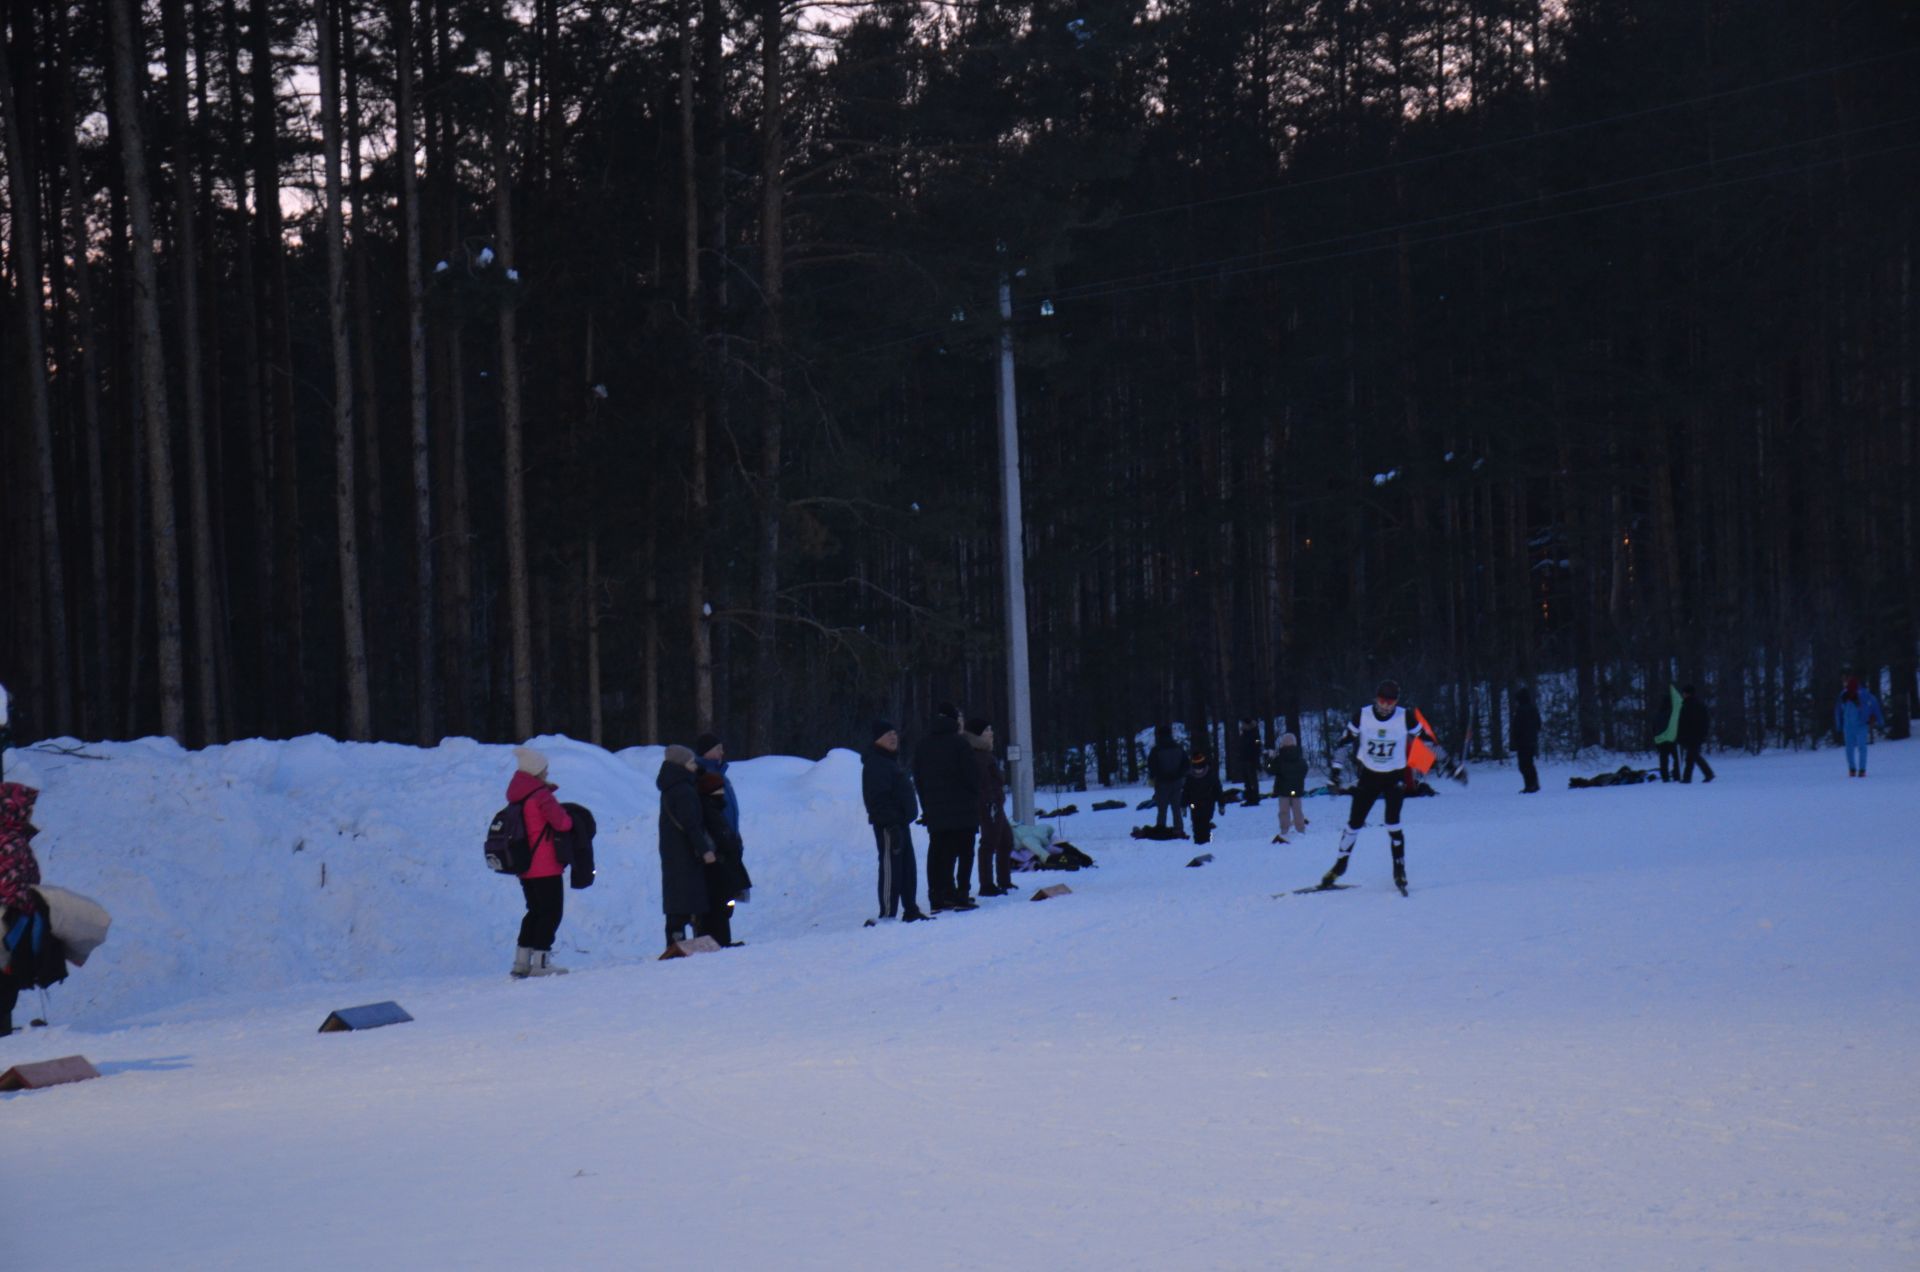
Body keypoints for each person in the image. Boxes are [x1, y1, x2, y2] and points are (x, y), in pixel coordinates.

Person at [1312, 680, 1434, 896]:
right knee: (1354, 823)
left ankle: (1399, 869)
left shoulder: (1404, 717)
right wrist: (1335, 773)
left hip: (1394, 776)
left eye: (1390, 702)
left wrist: (1450, 764)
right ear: (1376, 699)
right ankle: (1340, 865)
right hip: (1369, 776)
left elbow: (1428, 740)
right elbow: (1344, 743)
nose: (1386, 706)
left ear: (1396, 701)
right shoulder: (1363, 715)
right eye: (1382, 701)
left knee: (1392, 822)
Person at [506, 747, 574, 978]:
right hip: (544, 864)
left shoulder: (518, 794)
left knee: (534, 911)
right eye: (545, 769)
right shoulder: (540, 796)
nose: (547, 772)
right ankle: (541, 962)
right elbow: (563, 823)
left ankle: (521, 961)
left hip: (525, 864)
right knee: (551, 912)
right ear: (536, 770)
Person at [913, 702, 980, 912]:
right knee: (965, 852)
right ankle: (961, 894)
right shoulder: (960, 745)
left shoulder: (923, 745)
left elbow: (918, 779)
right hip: (963, 811)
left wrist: (927, 806)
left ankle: (937, 896)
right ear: (954, 720)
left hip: (935, 811)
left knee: (938, 853)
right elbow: (972, 777)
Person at [862, 720, 930, 923]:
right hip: (889, 825)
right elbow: (877, 799)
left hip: (901, 823)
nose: (893, 737)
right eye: (888, 734)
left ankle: (910, 908)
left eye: (894, 733)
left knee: (907, 867)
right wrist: (890, 824)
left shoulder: (890, 761)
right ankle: (888, 912)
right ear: (877, 739)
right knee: (891, 866)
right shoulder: (876, 763)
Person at [657, 743, 716, 952]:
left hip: (673, 854)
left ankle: (675, 942)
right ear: (681, 765)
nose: (694, 766)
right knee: (689, 902)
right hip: (686, 855)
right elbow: (692, 825)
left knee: (676, 903)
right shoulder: (683, 790)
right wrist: (705, 850)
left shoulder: (670, 787)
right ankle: (685, 946)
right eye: (691, 762)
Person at [693, 732, 748, 944]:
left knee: (726, 894)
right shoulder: (704, 775)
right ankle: (715, 939)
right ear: (707, 751)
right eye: (718, 748)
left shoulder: (721, 775)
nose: (722, 752)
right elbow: (709, 813)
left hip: (727, 840)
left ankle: (722, 938)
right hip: (716, 844)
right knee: (717, 895)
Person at [0, 780, 45, 1035]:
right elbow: (14, 888)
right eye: (26, 808)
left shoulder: (13, 839)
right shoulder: (10, 842)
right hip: (8, 929)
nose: (30, 813)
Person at [968, 717, 1017, 897]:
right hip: (990, 805)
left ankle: (1004, 880)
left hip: (995, 803)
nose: (991, 733)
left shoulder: (985, 754)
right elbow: (983, 783)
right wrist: (990, 802)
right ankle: (987, 884)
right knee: (989, 842)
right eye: (987, 729)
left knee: (1005, 840)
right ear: (979, 734)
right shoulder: (979, 755)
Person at [1835, 675, 1886, 777]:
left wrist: (1879, 720)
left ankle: (1862, 769)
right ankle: (1852, 769)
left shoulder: (1864, 694)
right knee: (1850, 749)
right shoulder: (1843, 695)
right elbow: (1838, 711)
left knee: (1861, 748)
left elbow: (1874, 705)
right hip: (1848, 726)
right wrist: (1839, 724)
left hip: (1861, 725)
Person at [1146, 725, 1189, 835]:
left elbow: (1152, 766)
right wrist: (1179, 774)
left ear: (1159, 735)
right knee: (1176, 807)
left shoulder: (1156, 750)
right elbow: (1186, 764)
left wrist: (1157, 776)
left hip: (1162, 783)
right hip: (1177, 782)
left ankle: (1161, 828)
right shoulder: (1178, 748)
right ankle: (1178, 828)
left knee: (1162, 808)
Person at [1268, 731, 1309, 842]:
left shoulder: (1279, 758)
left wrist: (1269, 759)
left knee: (1284, 812)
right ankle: (1301, 830)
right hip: (1297, 789)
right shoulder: (1300, 758)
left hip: (1283, 790)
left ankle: (1284, 831)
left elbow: (1270, 769)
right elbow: (1305, 769)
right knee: (1298, 811)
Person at [1183, 747, 1226, 846]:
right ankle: (1198, 842)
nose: (1198, 770)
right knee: (1196, 823)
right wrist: (1183, 805)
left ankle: (1205, 842)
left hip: (1208, 803)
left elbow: (1218, 790)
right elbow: (1186, 791)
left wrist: (1221, 804)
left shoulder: (1210, 775)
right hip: (1194, 804)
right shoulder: (1190, 777)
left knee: (1205, 823)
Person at [1677, 685, 1714, 784]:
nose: (1683, 695)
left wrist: (1681, 734)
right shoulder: (1697, 704)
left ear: (1687, 693)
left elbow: (1685, 722)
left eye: (1684, 693)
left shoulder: (1689, 705)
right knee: (1692, 756)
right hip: (1695, 735)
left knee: (1692, 756)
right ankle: (1690, 777)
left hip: (1691, 735)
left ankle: (1705, 774)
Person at [1511, 687, 1542, 794]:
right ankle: (1533, 784)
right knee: (1529, 763)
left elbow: (1517, 727)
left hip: (1523, 742)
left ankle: (1530, 785)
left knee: (1524, 765)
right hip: (1531, 741)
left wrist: (1516, 739)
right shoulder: (1533, 709)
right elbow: (1538, 725)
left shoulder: (1520, 711)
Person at [1650, 683, 1682, 782]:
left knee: (1663, 759)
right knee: (1676, 758)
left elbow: (1654, 727)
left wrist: (1656, 738)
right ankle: (1676, 774)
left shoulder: (1658, 713)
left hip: (1661, 739)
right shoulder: (1673, 713)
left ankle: (1665, 776)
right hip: (1671, 739)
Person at [1237, 720, 1264, 806]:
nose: (1242, 726)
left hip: (1251, 761)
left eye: (1244, 724)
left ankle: (1254, 798)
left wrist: (1255, 759)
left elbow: (1257, 747)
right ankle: (1249, 798)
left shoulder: (1254, 734)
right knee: (1247, 781)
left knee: (1252, 781)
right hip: (1244, 760)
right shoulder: (1243, 734)